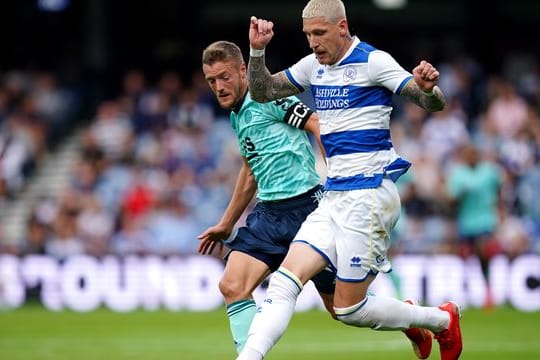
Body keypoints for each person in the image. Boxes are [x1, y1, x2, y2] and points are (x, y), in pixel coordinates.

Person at [237, 1, 463, 360]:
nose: (313, 43)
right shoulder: (314, 66)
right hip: (334, 197)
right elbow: (263, 91)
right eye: (308, 35)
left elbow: (430, 102)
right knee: (283, 282)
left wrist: (429, 89)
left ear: (342, 27)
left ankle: (440, 319)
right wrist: (257, 51)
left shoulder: (373, 61)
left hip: (370, 195)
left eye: (320, 33)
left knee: (347, 310)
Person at [198, 40, 336, 355]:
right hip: (270, 215)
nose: (219, 86)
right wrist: (226, 224)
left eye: (224, 77)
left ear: (243, 70)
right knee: (232, 285)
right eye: (211, 81)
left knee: (343, 308)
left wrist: (338, 179)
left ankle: (415, 320)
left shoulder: (266, 96)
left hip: (308, 211)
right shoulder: (237, 115)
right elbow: (250, 171)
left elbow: (317, 124)